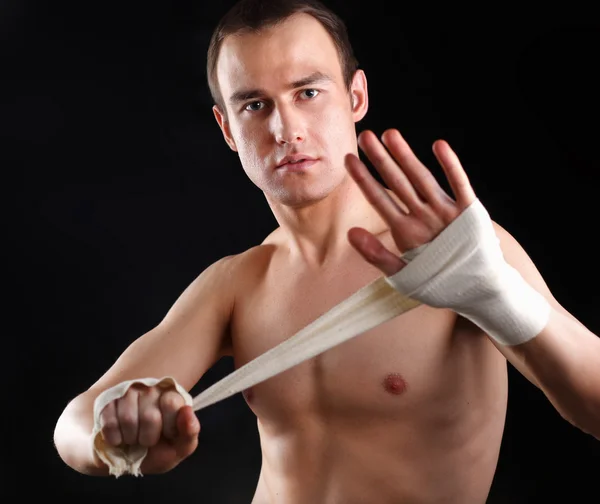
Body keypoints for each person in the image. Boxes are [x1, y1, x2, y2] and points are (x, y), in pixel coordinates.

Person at [53, 0, 600, 502]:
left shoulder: (458, 256)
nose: (284, 128)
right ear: (226, 128)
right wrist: (116, 427)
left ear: (356, 96)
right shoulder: (239, 285)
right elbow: (73, 427)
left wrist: (495, 293)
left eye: (307, 93)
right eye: (254, 105)